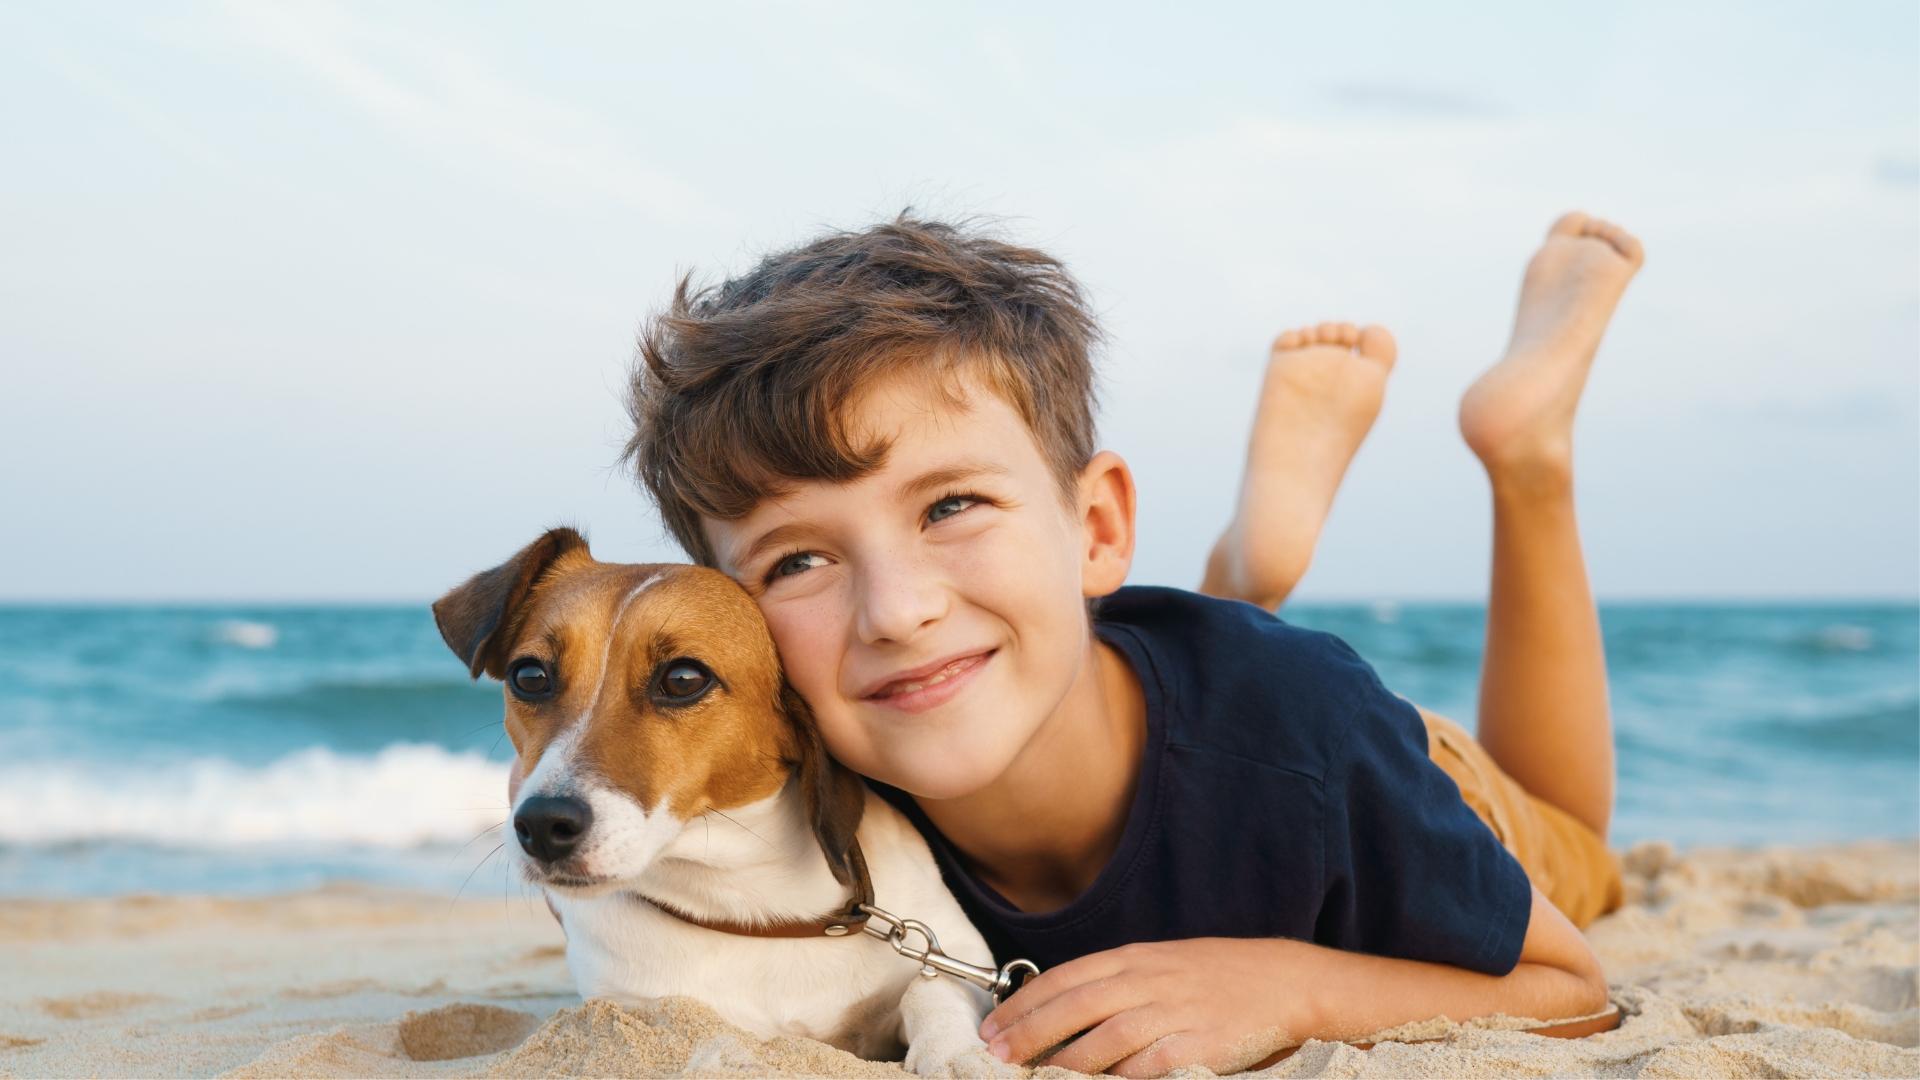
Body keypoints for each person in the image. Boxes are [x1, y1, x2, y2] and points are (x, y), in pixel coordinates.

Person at [531, 209, 1642, 1076]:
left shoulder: (1305, 742)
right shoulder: (822, 753)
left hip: (1373, 763)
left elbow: (1570, 988)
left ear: (1098, 525)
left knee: (1582, 850)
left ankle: (1526, 451)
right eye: (797, 563)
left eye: (951, 504)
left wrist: (1297, 989)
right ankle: (1235, 588)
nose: (897, 611)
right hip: (1160, 696)